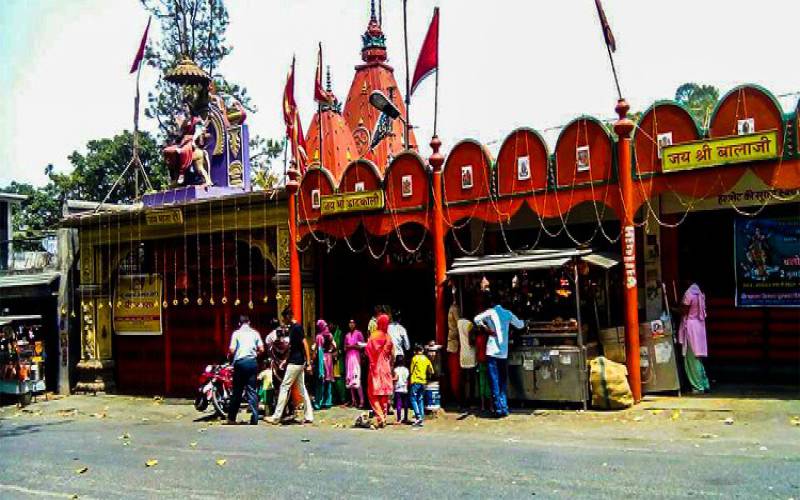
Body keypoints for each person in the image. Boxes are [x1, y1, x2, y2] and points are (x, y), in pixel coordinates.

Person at [474, 292, 524, 418]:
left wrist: (486, 328)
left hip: (491, 352)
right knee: (502, 382)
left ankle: (498, 409)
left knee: (494, 381)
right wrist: (526, 321)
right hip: (503, 353)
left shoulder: (490, 312)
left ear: (492, 303)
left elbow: (476, 319)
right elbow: (520, 325)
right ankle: (504, 408)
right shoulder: (508, 314)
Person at [265, 308, 314, 425]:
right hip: (297, 362)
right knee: (302, 389)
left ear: (288, 316)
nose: (283, 320)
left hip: (295, 362)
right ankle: (309, 415)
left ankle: (276, 416)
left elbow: (305, 344)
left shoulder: (297, 327)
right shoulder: (292, 328)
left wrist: (308, 363)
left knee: (284, 387)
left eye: (284, 317)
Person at [226, 315, 264, 425]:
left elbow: (232, 349)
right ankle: (255, 417)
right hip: (252, 362)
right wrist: (255, 354)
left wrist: (229, 355)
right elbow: (261, 348)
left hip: (240, 363)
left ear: (239, 323)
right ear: (249, 322)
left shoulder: (236, 333)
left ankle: (231, 418)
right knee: (252, 390)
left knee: (237, 390)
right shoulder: (255, 333)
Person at [678, 281, 711, 394]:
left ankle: (698, 386)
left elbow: (684, 310)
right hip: (699, 326)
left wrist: (674, 308)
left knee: (691, 359)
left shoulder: (689, 293)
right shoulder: (699, 292)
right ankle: (704, 383)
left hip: (691, 328)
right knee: (698, 357)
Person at [365, 314, 394, 428]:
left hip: (375, 368)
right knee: (384, 395)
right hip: (386, 368)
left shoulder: (374, 336)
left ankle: (380, 417)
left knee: (373, 394)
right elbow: (393, 354)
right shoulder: (388, 337)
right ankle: (384, 417)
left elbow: (368, 350)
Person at [313, 319, 336, 410]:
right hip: (329, 358)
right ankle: (328, 402)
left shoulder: (319, 336)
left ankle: (319, 402)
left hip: (322, 358)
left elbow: (319, 350)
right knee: (328, 380)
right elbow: (335, 345)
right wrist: (330, 350)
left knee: (320, 380)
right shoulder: (330, 335)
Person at [409, 344, 433, 427]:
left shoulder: (414, 358)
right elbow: (431, 370)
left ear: (415, 351)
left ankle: (418, 416)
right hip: (423, 382)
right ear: (422, 351)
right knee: (420, 399)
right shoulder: (426, 359)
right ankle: (421, 418)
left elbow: (411, 370)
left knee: (413, 398)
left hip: (415, 381)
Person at [344, 319, 366, 408]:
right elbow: (345, 347)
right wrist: (349, 347)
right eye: (350, 323)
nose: (351, 324)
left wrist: (353, 346)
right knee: (350, 379)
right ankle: (353, 400)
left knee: (357, 378)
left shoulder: (359, 333)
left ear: (355, 324)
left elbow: (363, 345)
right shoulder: (347, 335)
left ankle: (361, 400)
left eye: (353, 323)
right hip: (349, 358)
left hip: (356, 357)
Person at [446, 294, 463, 406]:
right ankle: (457, 396)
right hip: (455, 344)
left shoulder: (452, 308)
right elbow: (459, 324)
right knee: (456, 372)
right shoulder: (455, 309)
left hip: (453, 343)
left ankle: (457, 395)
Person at [392, 355, 410, 424]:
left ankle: (399, 419)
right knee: (405, 404)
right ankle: (405, 418)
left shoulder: (396, 369)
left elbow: (396, 378)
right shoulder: (406, 369)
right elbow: (407, 379)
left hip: (398, 389)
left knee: (398, 404)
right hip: (405, 388)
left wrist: (390, 379)